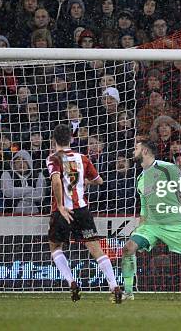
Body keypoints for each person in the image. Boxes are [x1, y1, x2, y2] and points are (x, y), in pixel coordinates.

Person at [120, 138, 181, 302]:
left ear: (145, 151)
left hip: (174, 224)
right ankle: (128, 293)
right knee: (128, 249)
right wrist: (140, 227)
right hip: (151, 225)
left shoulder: (167, 168)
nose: (133, 151)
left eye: (136, 148)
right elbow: (144, 207)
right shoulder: (140, 179)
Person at [46, 124, 122, 303]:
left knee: (55, 247)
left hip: (62, 211)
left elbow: (56, 182)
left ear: (54, 140)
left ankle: (71, 282)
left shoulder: (53, 158)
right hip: (82, 210)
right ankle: (114, 285)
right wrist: (83, 181)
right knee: (95, 249)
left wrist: (62, 206)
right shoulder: (83, 158)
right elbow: (99, 180)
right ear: (71, 139)